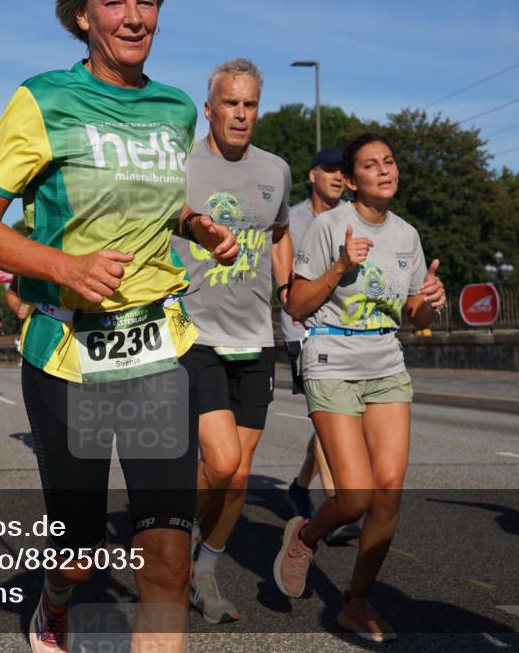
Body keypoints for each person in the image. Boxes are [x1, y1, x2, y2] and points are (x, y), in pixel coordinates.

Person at [0, 0, 237, 650]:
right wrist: (66, 267)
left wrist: (196, 224)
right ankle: (55, 602)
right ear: (83, 16)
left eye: (147, 1)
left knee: (165, 563)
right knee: (78, 554)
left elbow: (153, 203)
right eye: (113, 2)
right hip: (69, 351)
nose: (134, 17)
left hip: (156, 349)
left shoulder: (175, 109)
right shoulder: (44, 100)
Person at [274, 133, 445, 642]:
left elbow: (415, 316)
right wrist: (341, 266)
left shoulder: (407, 235)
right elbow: (296, 306)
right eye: (371, 165)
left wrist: (432, 300)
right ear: (351, 181)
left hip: (386, 362)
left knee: (388, 493)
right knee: (353, 497)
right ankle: (305, 536)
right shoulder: (328, 226)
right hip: (331, 360)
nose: (384, 170)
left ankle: (357, 602)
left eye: (389, 161)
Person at [170, 59, 292, 624]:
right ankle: (171, 543)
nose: (240, 114)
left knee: (239, 475)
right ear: (209, 108)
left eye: (250, 104)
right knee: (220, 463)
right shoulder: (180, 165)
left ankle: (203, 573)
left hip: (255, 337)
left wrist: (287, 289)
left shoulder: (276, 170)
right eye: (230, 103)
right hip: (195, 333)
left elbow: (280, 233)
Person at [281, 147, 361, 546]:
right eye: (329, 170)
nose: (337, 176)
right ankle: (337, 505)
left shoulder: (355, 217)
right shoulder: (292, 220)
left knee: (334, 420)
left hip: (347, 332)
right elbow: (282, 272)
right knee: (329, 415)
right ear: (313, 175)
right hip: (303, 331)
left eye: (342, 171)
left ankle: (299, 485)